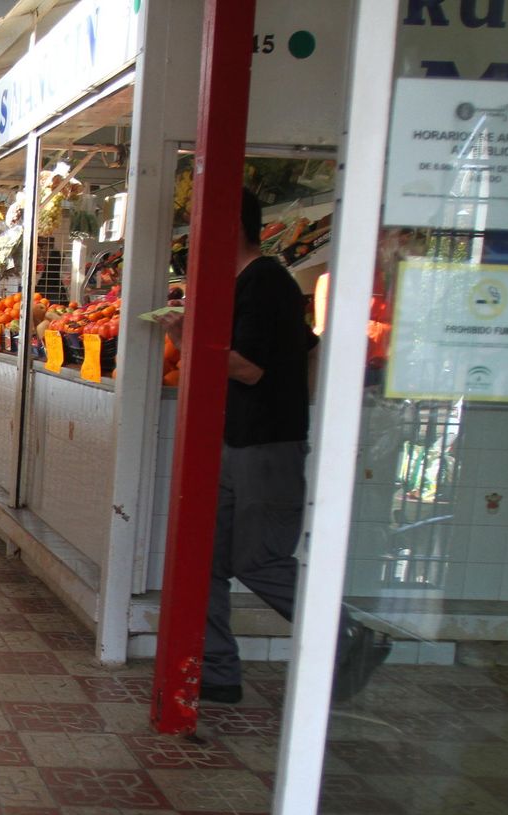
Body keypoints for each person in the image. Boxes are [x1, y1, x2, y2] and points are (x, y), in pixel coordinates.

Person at [183, 188, 386, 706]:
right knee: (204, 559)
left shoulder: (264, 281)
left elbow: (248, 367)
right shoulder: (249, 283)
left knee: (260, 560)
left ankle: (351, 634)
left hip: (265, 447)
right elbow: (308, 348)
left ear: (231, 227)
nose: (193, 236)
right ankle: (218, 672)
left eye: (202, 222)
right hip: (239, 440)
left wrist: (186, 335)